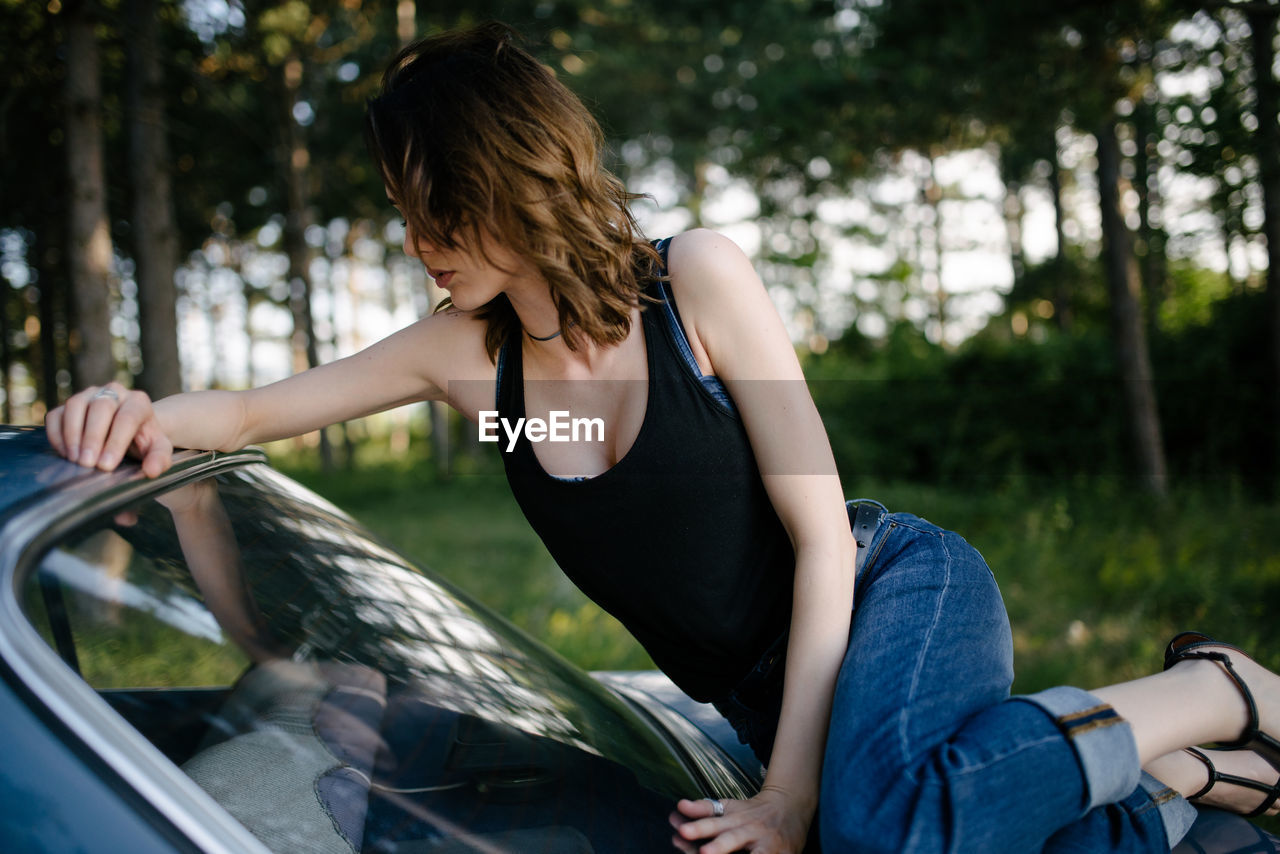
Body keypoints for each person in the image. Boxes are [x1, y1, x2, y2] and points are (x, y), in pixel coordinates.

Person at [45, 22, 1280, 854]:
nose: (421, 236)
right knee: (929, 828)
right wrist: (128, 411)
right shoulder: (470, 363)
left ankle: (1212, 686)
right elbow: (254, 411)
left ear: (517, 177)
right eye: (404, 209)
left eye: (444, 205)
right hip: (751, 685)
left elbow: (814, 534)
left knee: (871, 821)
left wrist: (791, 789)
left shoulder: (693, 279)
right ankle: (1194, 786)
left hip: (883, 589)